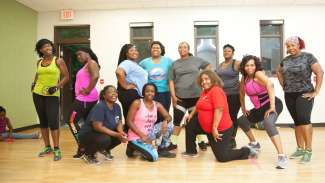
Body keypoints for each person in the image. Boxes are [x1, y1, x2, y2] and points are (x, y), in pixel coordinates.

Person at [184, 70, 256, 162]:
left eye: (206, 79)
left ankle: (248, 151)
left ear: (213, 79)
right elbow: (199, 104)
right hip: (207, 128)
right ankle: (191, 151)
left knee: (222, 157)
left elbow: (219, 109)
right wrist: (191, 114)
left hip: (220, 129)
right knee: (190, 123)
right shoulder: (205, 91)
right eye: (202, 80)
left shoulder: (216, 90)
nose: (204, 82)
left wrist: (214, 128)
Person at [277, 36, 323, 163]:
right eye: (288, 46)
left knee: (304, 119)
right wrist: (283, 85)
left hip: (304, 93)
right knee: (297, 121)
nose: (290, 48)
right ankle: (300, 148)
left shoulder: (308, 57)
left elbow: (320, 72)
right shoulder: (285, 60)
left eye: (293, 45)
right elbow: (279, 72)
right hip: (289, 94)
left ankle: (308, 150)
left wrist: (316, 91)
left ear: (299, 45)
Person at [237, 55, 288, 169]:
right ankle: (255, 144)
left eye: (252, 65)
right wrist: (243, 108)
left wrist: (272, 106)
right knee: (242, 121)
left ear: (256, 66)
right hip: (260, 108)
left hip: (272, 105)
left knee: (268, 123)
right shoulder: (244, 78)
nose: (250, 68)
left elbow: (270, 84)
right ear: (243, 67)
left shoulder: (258, 74)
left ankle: (282, 156)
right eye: (247, 65)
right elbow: (241, 93)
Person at [168, 41, 211, 151]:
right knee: (177, 120)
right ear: (178, 49)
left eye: (185, 47)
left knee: (196, 120)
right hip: (180, 97)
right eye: (180, 47)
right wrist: (173, 96)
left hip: (196, 97)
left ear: (188, 49)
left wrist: (203, 78)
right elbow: (171, 81)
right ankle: (173, 143)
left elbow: (208, 66)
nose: (182, 49)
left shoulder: (196, 60)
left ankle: (201, 142)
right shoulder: (174, 64)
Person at [32, 39, 69, 161]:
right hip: (38, 93)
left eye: (49, 45)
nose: (48, 47)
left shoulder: (58, 60)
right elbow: (38, 75)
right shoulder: (39, 62)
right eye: (44, 46)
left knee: (53, 121)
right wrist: (33, 84)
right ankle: (47, 147)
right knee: (43, 121)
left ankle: (57, 148)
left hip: (52, 94)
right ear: (40, 50)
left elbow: (66, 76)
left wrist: (57, 87)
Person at [126, 83, 175, 162]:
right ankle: (132, 146)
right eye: (147, 91)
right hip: (137, 136)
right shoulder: (137, 103)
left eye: (152, 91)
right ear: (143, 92)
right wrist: (142, 135)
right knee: (154, 157)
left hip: (150, 135)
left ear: (155, 93)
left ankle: (161, 149)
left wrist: (165, 121)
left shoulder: (157, 104)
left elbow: (169, 117)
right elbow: (129, 121)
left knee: (170, 125)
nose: (150, 93)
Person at [79, 85, 127, 164]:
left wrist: (121, 132)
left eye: (115, 92)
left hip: (100, 134)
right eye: (110, 92)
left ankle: (104, 149)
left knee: (122, 135)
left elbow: (119, 122)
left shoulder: (117, 106)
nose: (114, 94)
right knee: (105, 139)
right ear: (104, 95)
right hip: (88, 135)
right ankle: (88, 154)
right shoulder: (100, 106)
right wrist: (116, 134)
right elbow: (97, 127)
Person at [68, 47, 100, 159]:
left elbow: (96, 76)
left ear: (87, 53)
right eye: (77, 55)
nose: (78, 57)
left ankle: (83, 146)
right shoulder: (87, 64)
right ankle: (88, 148)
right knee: (88, 124)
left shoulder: (91, 63)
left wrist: (87, 90)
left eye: (80, 54)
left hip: (85, 99)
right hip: (85, 99)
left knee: (71, 121)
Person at [115, 44, 148, 131]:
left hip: (133, 94)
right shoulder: (127, 63)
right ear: (126, 53)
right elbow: (119, 72)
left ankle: (133, 141)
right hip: (130, 94)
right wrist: (125, 85)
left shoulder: (133, 64)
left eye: (136, 50)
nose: (135, 52)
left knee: (133, 120)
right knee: (134, 121)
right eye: (131, 50)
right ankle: (133, 141)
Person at [139, 41, 173, 123]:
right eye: (153, 47)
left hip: (165, 92)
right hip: (151, 93)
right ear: (150, 50)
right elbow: (136, 72)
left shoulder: (168, 60)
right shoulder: (144, 62)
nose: (155, 49)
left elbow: (176, 71)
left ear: (161, 50)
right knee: (152, 115)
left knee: (164, 115)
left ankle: (163, 134)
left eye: (157, 47)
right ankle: (152, 134)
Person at [216, 44, 241, 148]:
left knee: (232, 117)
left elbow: (248, 71)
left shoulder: (236, 63)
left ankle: (232, 139)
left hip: (234, 95)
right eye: (225, 51)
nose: (226, 52)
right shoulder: (220, 65)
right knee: (222, 117)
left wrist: (243, 84)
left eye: (229, 51)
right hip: (222, 96)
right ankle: (222, 137)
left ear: (233, 53)